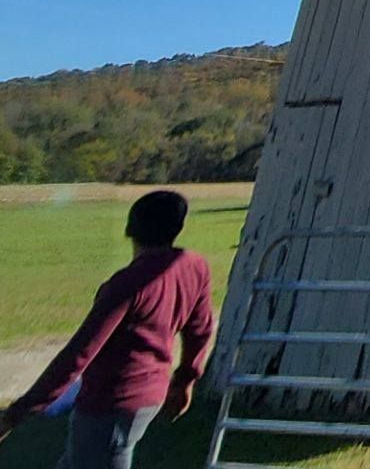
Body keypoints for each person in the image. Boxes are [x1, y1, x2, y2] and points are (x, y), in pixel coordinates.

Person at [0, 191, 215, 468]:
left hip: (112, 403)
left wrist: (15, 414)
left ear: (130, 228)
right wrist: (185, 380)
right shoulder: (194, 266)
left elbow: (78, 355)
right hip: (150, 396)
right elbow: (201, 330)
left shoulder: (127, 285)